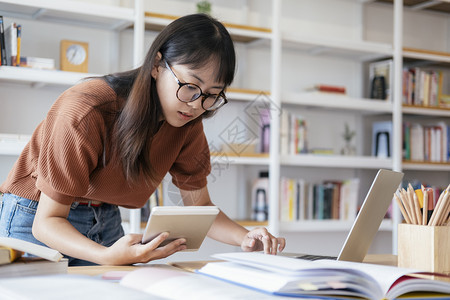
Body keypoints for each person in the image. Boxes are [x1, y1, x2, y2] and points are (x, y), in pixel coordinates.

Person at [0, 14, 285, 266]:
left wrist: (246, 237)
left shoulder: (186, 121)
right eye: (190, 86)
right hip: (35, 214)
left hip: (104, 216)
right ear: (157, 65)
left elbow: (199, 206)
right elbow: (47, 222)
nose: (198, 105)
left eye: (213, 94)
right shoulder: (87, 109)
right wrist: (105, 255)